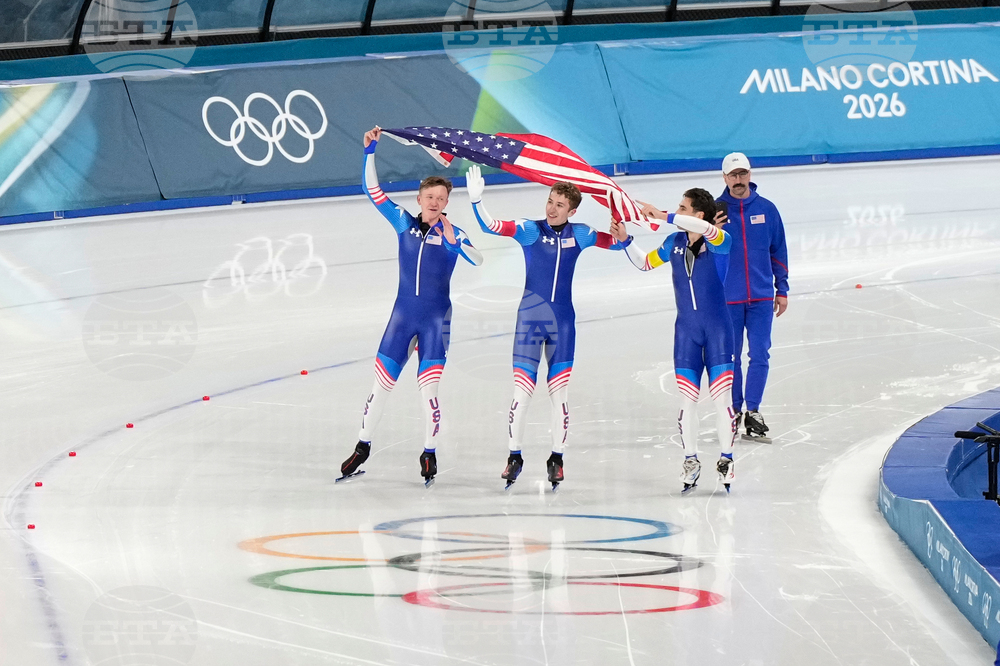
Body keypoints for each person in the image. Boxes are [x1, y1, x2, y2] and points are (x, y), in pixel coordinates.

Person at [465, 165, 626, 490]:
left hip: (563, 325)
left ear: (573, 210)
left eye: (559, 205)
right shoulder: (529, 229)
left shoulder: (580, 234)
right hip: (529, 323)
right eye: (550, 201)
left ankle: (557, 458)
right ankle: (514, 456)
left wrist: (623, 235)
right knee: (521, 394)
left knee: (559, 396)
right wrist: (476, 202)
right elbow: (491, 226)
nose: (551, 209)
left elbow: (619, 244)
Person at [339, 127, 483, 485]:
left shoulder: (454, 234)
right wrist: (370, 151)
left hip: (435, 321)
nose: (435, 202)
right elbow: (373, 192)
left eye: (441, 198)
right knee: (380, 386)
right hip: (402, 319)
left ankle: (429, 452)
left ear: (447, 203)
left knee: (428, 390)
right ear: (419, 199)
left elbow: (478, 260)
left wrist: (455, 243)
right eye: (429, 196)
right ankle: (362, 445)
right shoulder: (403, 223)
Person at [609, 188, 738, 492]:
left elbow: (707, 230)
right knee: (688, 401)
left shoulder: (720, 241)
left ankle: (726, 458)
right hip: (686, 334)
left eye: (683, 208)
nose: (677, 212)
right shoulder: (673, 243)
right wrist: (627, 240)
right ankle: (690, 459)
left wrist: (663, 215)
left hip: (718, 332)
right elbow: (644, 264)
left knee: (721, 401)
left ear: (698, 214)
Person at [716, 152, 788, 441]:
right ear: (724, 178)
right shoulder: (715, 211)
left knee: (760, 353)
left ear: (750, 174)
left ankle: (753, 410)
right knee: (730, 358)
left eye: (742, 174)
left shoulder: (767, 210)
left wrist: (781, 289)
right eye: (732, 175)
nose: (738, 180)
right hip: (726, 299)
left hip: (759, 297)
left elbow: (778, 251)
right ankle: (733, 409)